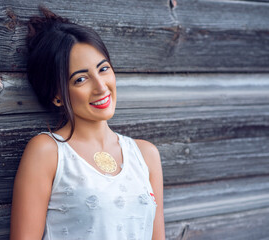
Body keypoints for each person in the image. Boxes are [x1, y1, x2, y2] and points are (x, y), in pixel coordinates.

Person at [10, 6, 165, 240]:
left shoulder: (146, 155)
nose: (101, 86)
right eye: (81, 79)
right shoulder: (48, 152)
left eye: (103, 69)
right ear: (57, 95)